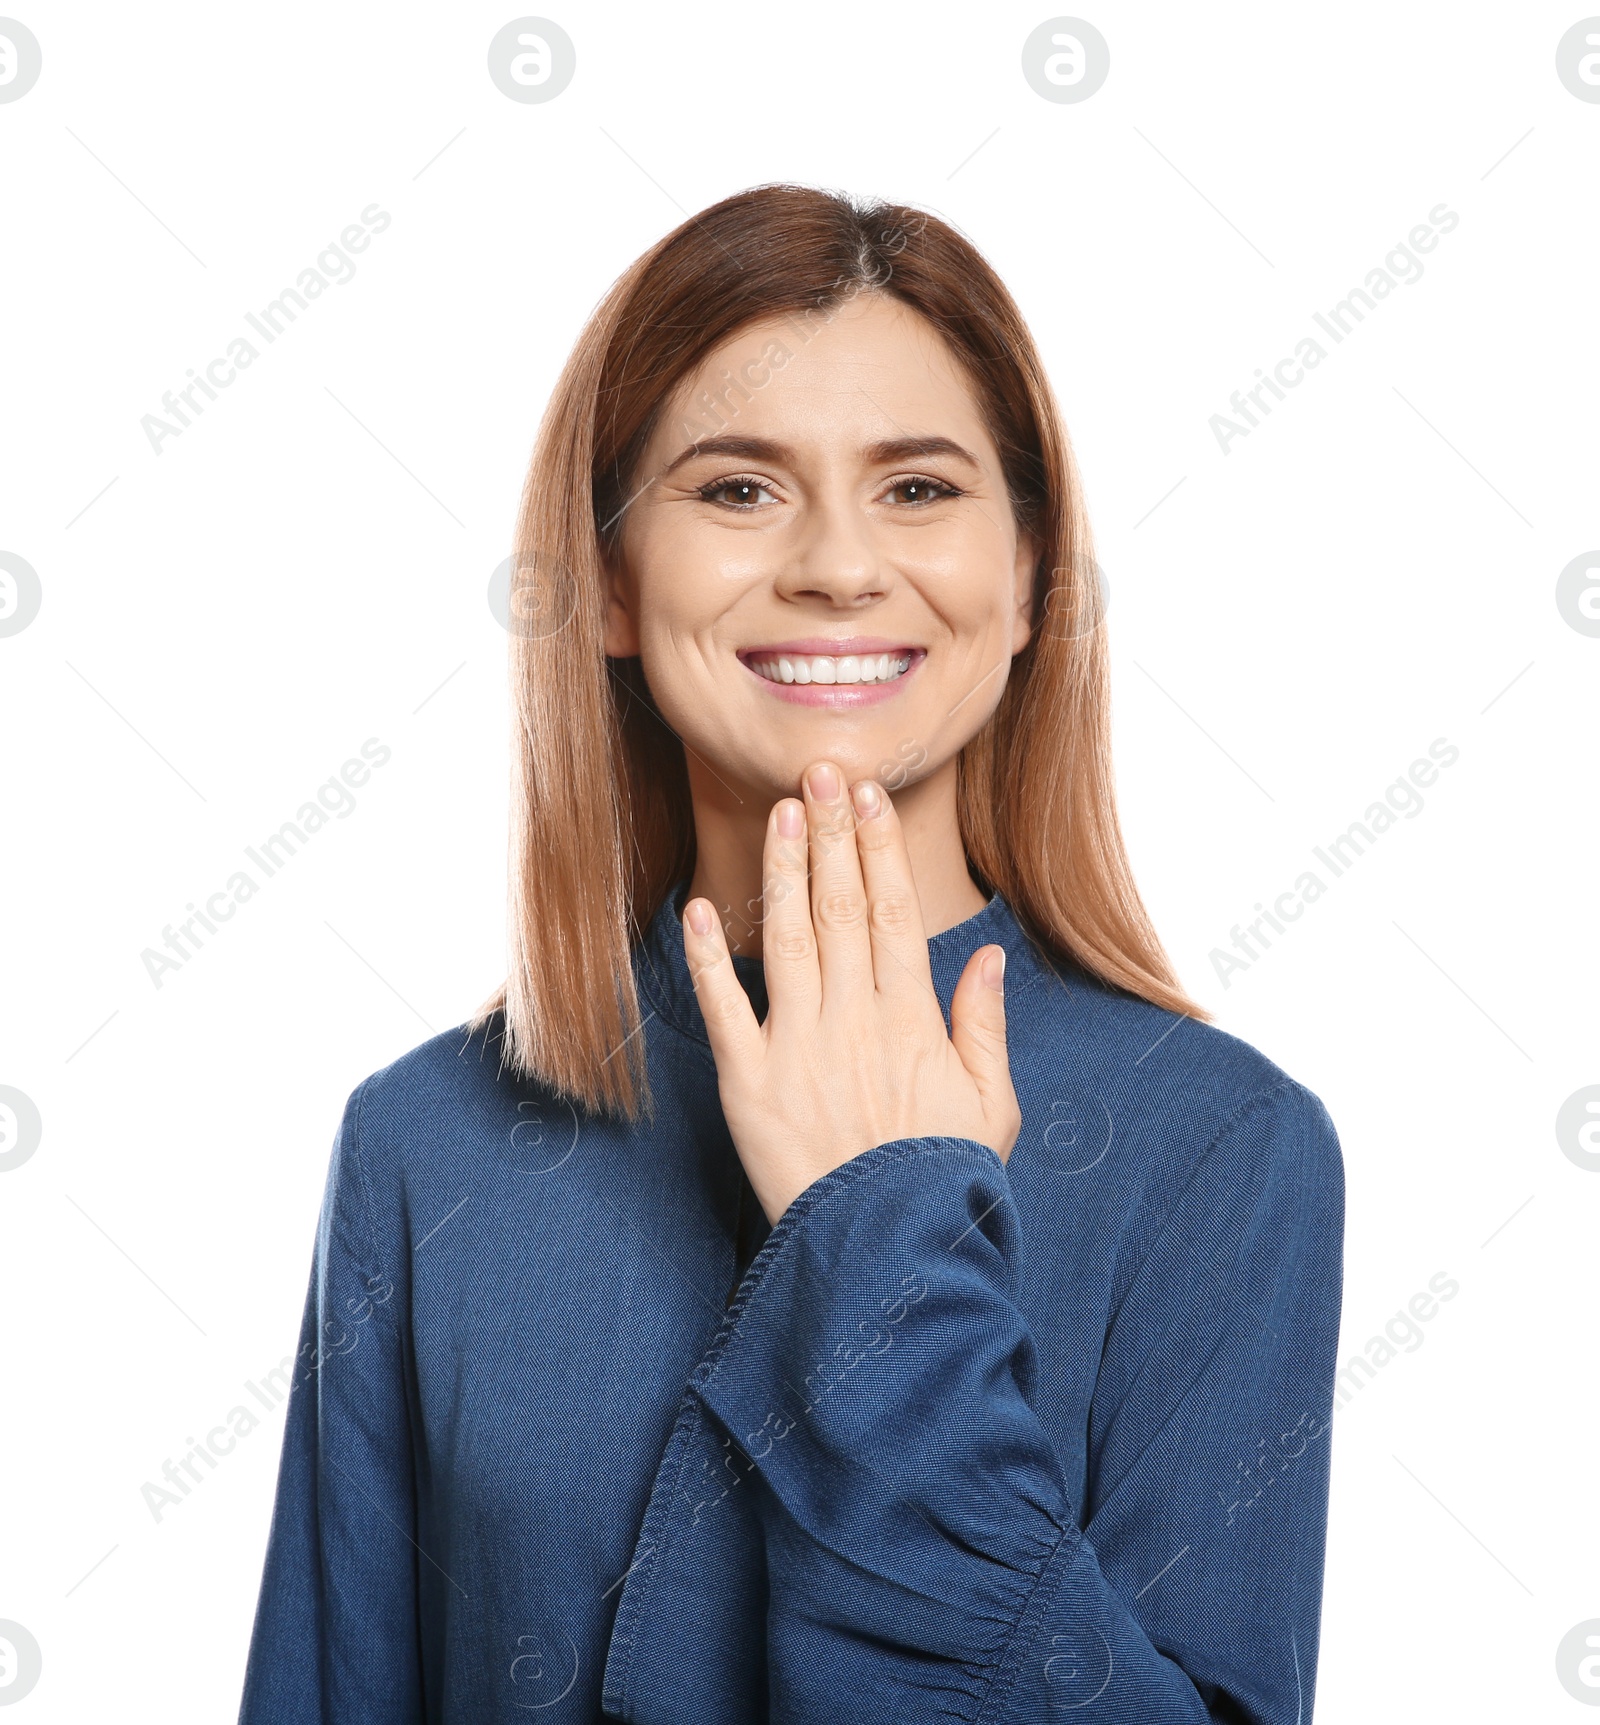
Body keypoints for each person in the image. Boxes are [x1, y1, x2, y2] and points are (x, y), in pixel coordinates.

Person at [238, 183, 1344, 1724]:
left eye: (917, 489)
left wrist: (886, 1227)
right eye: (739, 490)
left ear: (1026, 581)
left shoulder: (1224, 1147)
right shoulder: (428, 1142)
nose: (836, 564)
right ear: (613, 583)